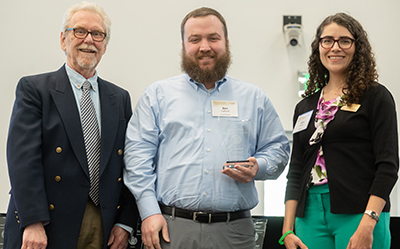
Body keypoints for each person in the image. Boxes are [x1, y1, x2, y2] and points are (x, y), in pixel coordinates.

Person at [123, 6, 290, 249]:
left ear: (226, 42)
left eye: (213, 38)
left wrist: (259, 167)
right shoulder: (157, 96)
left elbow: (279, 149)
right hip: (171, 229)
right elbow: (137, 158)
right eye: (195, 39)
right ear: (183, 45)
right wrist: (149, 212)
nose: (205, 46)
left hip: (236, 233)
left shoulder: (254, 98)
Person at [4, 2, 138, 249]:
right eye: (80, 31)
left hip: (103, 223)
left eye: (97, 34)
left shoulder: (119, 98)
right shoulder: (35, 90)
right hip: (46, 223)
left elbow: (130, 163)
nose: (89, 40)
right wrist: (32, 221)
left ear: (105, 45)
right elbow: (23, 161)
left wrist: (126, 221)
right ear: (63, 40)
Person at [282, 13, 399, 249]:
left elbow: (388, 166)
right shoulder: (304, 106)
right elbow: (295, 169)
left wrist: (369, 222)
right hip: (309, 214)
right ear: (319, 47)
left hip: (360, 212)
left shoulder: (376, 97)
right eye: (328, 40)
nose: (335, 47)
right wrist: (287, 231)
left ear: (357, 48)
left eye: (344, 41)